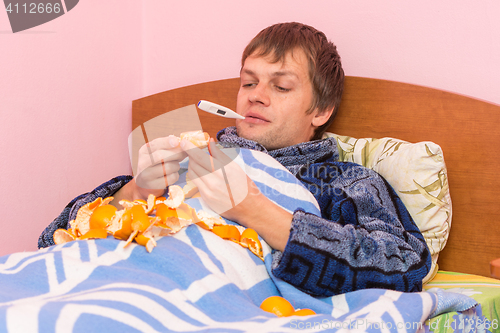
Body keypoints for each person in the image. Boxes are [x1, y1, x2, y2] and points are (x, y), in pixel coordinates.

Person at [39, 22, 431, 297]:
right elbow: (48, 242)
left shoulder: (344, 181)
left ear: (321, 110)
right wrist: (136, 191)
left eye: (280, 86)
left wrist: (256, 211)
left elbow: (406, 263)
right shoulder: (188, 156)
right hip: (108, 282)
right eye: (248, 82)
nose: (256, 95)